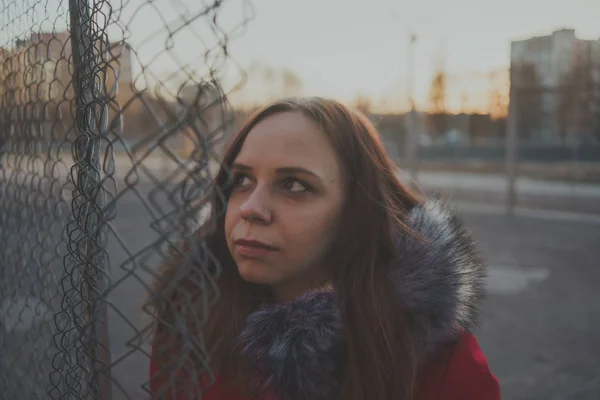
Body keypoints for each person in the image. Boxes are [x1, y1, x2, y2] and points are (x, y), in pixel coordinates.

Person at [148, 97, 501, 400]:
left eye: (294, 185)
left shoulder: (443, 366)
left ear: (356, 212)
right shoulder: (189, 325)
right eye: (241, 180)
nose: (250, 208)